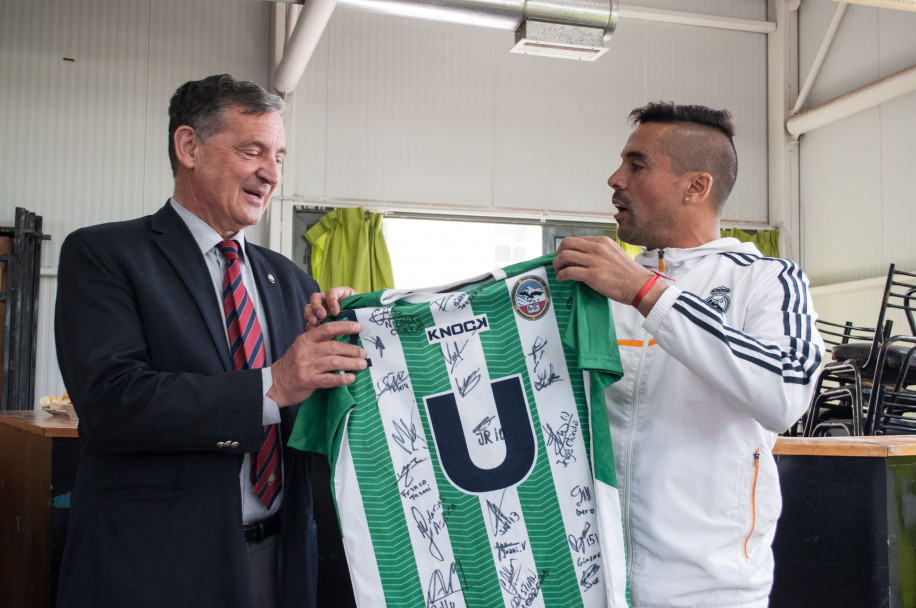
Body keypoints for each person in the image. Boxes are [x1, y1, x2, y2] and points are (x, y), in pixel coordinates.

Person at [54, 74, 367, 608]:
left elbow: (317, 424)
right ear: (189, 146)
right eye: (252, 151)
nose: (271, 173)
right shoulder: (105, 255)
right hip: (157, 567)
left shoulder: (292, 280)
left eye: (280, 156)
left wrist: (354, 335)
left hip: (282, 560)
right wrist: (272, 386)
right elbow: (112, 401)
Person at [552, 102, 824, 607]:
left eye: (637, 165)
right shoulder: (596, 290)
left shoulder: (766, 280)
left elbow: (785, 391)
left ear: (696, 187)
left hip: (708, 593)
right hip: (588, 583)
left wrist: (646, 292)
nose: (615, 179)